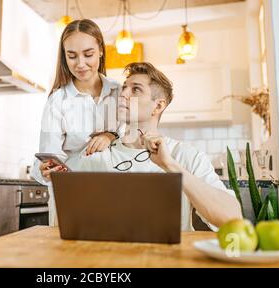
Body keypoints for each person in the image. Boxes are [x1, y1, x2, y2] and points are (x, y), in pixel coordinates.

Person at [44, 62, 243, 231]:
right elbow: (64, 214)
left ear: (158, 106)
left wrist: (170, 166)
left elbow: (232, 218)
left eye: (135, 89)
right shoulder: (97, 153)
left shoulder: (184, 156)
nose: (123, 94)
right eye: (124, 87)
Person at [32, 19, 122, 225]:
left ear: (101, 50)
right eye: (71, 56)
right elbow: (47, 156)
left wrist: (110, 135)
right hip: (71, 195)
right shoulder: (58, 100)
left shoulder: (120, 92)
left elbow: (134, 137)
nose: (80, 64)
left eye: (88, 54)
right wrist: (45, 170)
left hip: (115, 193)